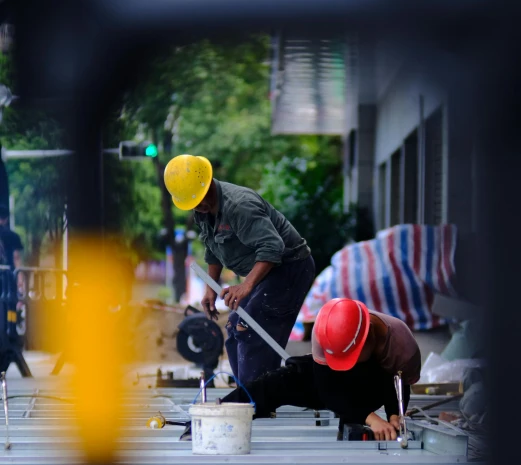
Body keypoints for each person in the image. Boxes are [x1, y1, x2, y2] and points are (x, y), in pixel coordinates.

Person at [164, 155, 315, 384]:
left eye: (201, 199)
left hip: (290, 267)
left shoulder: (239, 206)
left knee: (249, 327)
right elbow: (213, 249)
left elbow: (273, 247)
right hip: (267, 273)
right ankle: (250, 392)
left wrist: (246, 285)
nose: (199, 207)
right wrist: (209, 290)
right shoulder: (202, 211)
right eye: (193, 203)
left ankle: (255, 397)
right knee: (235, 326)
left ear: (208, 181)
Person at [180, 298, 421, 441]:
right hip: (328, 378)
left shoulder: (401, 346)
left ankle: (358, 410)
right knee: (271, 385)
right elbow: (328, 390)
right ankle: (210, 421)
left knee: (373, 393)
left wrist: (393, 417)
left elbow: (399, 385)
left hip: (371, 383)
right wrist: (371, 418)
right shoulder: (324, 331)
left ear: (368, 339)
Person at [0, 206, 23, 271]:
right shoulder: (14, 236)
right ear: (7, 219)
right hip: (7, 275)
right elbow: (16, 257)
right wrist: (20, 277)